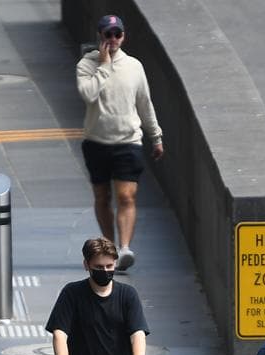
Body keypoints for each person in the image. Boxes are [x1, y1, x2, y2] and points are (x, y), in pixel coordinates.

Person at [75, 13, 164, 272]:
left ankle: (124, 248)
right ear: (100, 36)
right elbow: (88, 95)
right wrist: (103, 66)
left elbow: (144, 103)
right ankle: (110, 248)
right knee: (102, 197)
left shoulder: (134, 66)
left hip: (128, 141)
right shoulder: (87, 65)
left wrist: (156, 136)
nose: (113, 39)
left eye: (118, 34)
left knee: (126, 196)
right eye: (108, 34)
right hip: (96, 142)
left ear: (123, 37)